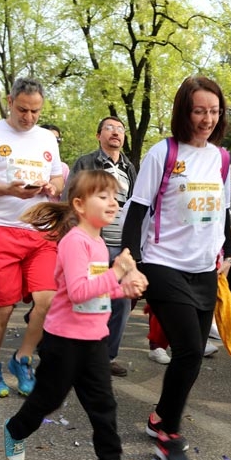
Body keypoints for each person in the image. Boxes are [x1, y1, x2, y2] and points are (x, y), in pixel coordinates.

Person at [121, 75, 231, 460]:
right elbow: (137, 210)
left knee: (193, 355)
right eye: (199, 111)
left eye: (214, 111)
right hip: (163, 263)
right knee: (187, 350)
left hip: (204, 270)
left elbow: (222, 210)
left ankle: (159, 418)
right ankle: (169, 435)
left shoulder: (221, 158)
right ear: (184, 112)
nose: (207, 119)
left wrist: (227, 252)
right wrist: (132, 261)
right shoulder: (163, 153)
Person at [3, 170, 147, 460]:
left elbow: (96, 291)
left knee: (104, 407)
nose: (113, 203)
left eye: (115, 197)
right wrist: (118, 271)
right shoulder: (74, 242)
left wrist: (122, 290)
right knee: (48, 400)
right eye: (103, 196)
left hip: (95, 341)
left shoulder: (98, 243)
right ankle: (15, 430)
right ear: (80, 205)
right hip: (64, 342)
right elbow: (80, 291)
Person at [0, 77, 64, 398]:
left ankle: (23, 358)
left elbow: (58, 178)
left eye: (35, 111)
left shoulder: (46, 138)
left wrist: (52, 187)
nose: (29, 117)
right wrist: (7, 188)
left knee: (48, 301)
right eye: (22, 109)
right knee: (2, 308)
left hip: (41, 231)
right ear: (10, 101)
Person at [66, 116, 137, 376]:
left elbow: (136, 207)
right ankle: (75, 351)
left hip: (121, 246)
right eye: (109, 128)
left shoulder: (130, 168)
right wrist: (77, 237)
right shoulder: (85, 163)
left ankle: (106, 357)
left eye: (120, 129)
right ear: (99, 135)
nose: (115, 132)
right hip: (93, 243)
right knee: (87, 299)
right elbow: (69, 199)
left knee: (122, 302)